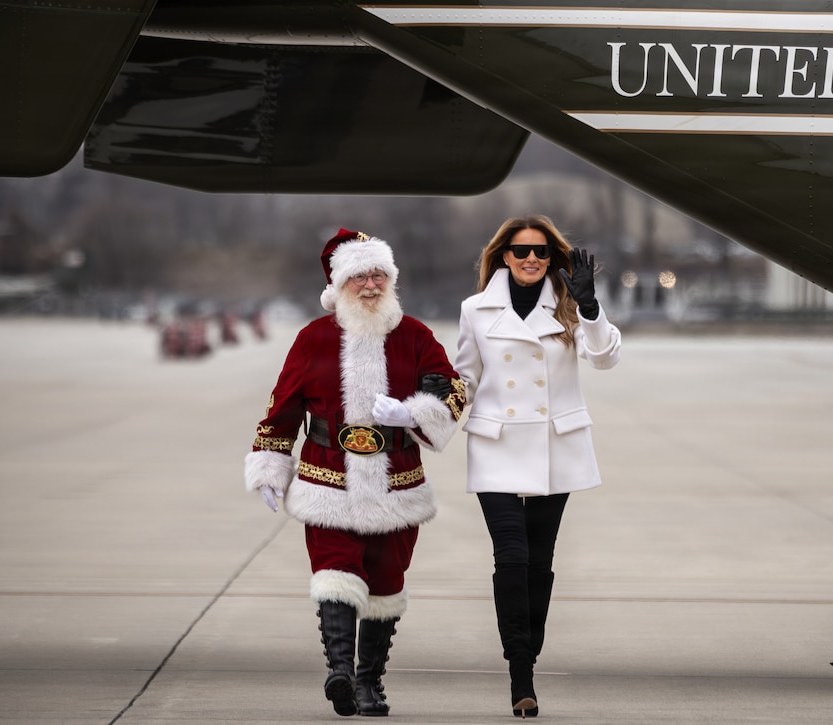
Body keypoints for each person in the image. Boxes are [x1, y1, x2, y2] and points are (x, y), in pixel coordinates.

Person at [244, 228, 466, 718]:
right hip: (328, 479)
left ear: (390, 280)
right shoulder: (313, 339)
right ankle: (340, 670)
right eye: (359, 275)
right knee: (335, 574)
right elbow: (282, 408)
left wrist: (414, 414)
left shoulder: (415, 335)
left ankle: (369, 684)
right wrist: (270, 465)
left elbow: (452, 389)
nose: (370, 284)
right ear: (337, 285)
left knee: (386, 584)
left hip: (397, 483)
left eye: (378, 274)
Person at [454, 215, 621, 718]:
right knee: (512, 557)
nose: (532, 259)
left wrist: (590, 309)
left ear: (553, 257)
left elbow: (606, 359)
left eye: (542, 252)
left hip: (555, 444)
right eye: (522, 250)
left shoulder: (572, 304)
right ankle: (520, 673)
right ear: (503, 255)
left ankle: (528, 653)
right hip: (497, 443)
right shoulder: (475, 310)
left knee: (540, 563)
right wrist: (434, 402)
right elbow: (465, 374)